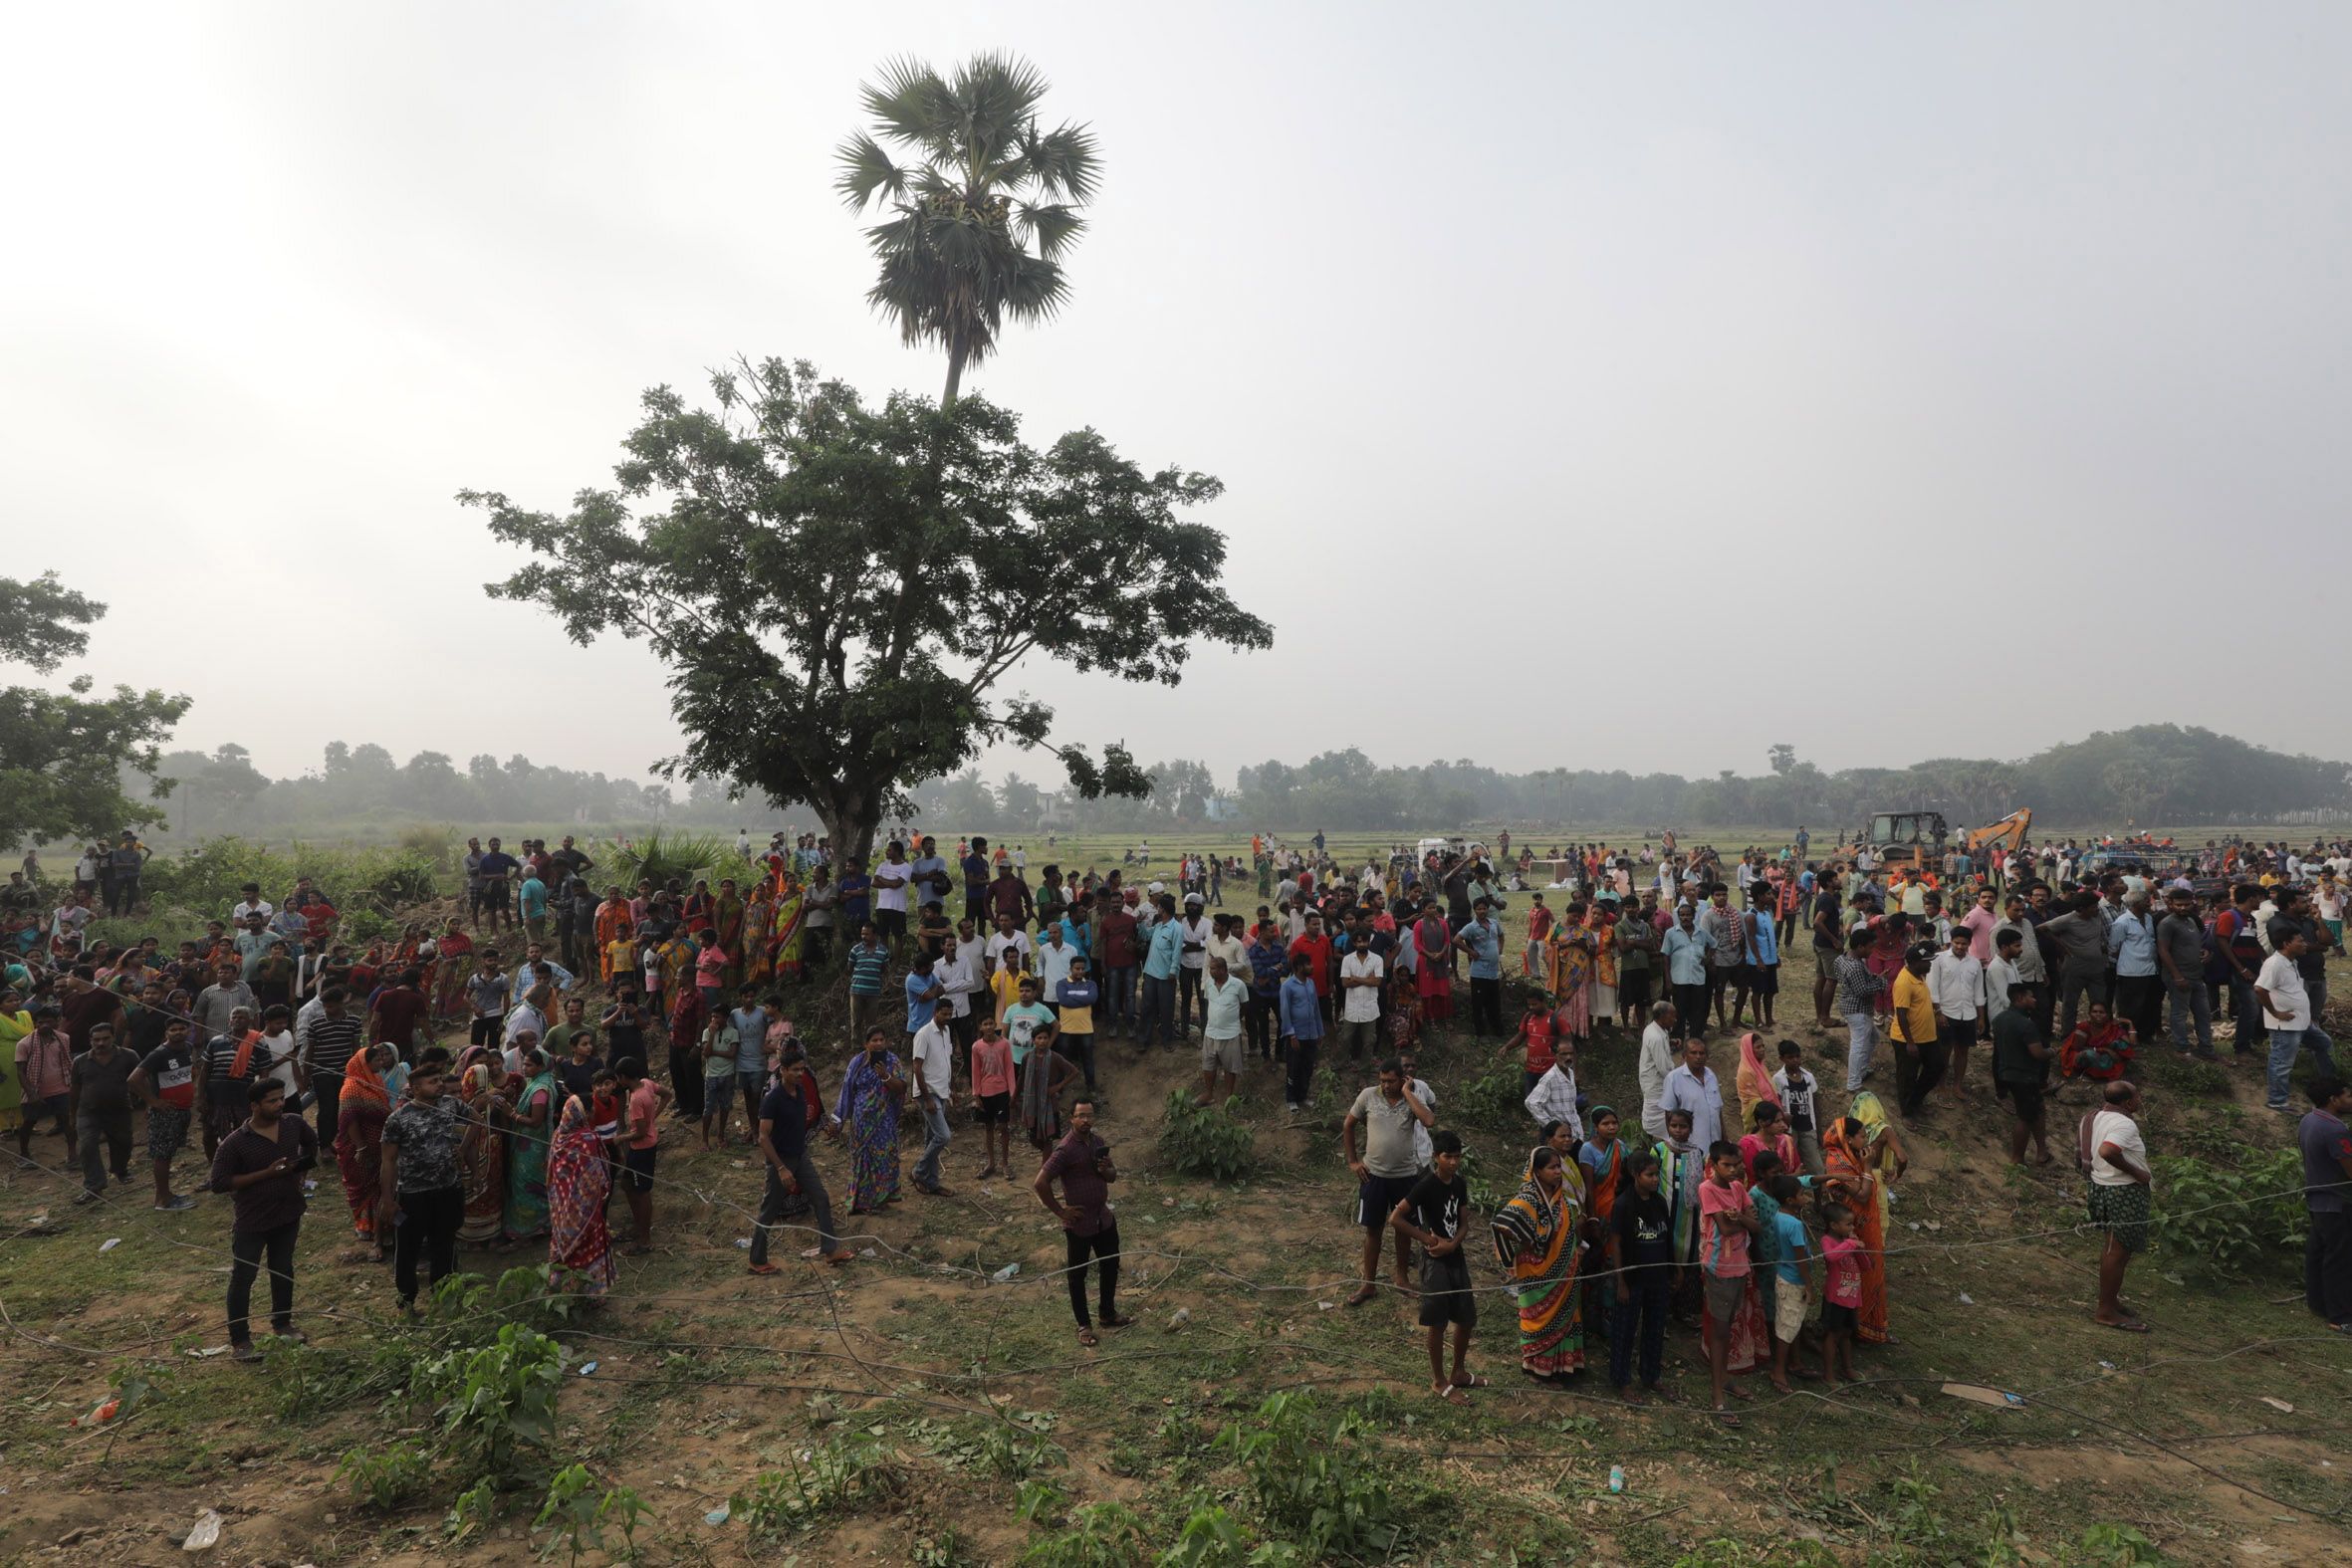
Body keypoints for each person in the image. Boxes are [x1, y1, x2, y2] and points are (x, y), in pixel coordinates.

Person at [207, 1079, 316, 1361]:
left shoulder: (293, 1124)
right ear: (254, 1106)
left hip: (289, 1212)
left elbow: (311, 1144)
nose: (280, 1104)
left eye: (281, 1098)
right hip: (252, 1220)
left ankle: (282, 1323)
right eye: (272, 1101)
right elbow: (218, 1183)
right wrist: (266, 1174)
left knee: (282, 1269)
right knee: (243, 1278)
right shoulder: (236, 1142)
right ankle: (240, 1341)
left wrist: (299, 1170)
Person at [1392, 1129, 1481, 1404]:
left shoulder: (1459, 1184)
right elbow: (1396, 1218)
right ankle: (1438, 1379)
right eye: (1447, 1157)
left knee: (1466, 1319)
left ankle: (1458, 1372)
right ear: (1435, 1157)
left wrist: (1452, 1244)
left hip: (1456, 1256)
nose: (1453, 1162)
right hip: (1434, 1262)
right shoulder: (1426, 1185)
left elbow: (1464, 1221)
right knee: (1438, 1322)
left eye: (1457, 1157)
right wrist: (1429, 1239)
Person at [1342, 1060, 1435, 1307]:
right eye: (1382, 1080)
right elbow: (1348, 1125)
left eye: (1391, 1081)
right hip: (1374, 1176)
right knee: (1373, 1230)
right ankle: (1368, 1283)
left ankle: (1402, 1279)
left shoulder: (1412, 1098)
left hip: (1406, 1176)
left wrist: (1407, 1092)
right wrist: (1353, 1161)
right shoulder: (1368, 1097)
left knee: (1403, 1229)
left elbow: (1428, 1120)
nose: (1385, 1085)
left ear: (1402, 1079)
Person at [1491, 1143, 1585, 1383]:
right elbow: (1504, 1224)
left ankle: (1563, 1366)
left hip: (1565, 1272)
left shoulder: (1559, 1197)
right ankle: (1536, 1365)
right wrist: (1531, 1244)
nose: (1557, 1172)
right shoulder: (1528, 1198)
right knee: (1539, 1318)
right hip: (1538, 1272)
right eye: (1552, 1168)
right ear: (1537, 1171)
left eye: (1558, 1167)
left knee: (1565, 1316)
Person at [1037, 1098, 1127, 1347]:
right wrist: (1060, 1212)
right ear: (1072, 1119)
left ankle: (1107, 1313)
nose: (1086, 1120)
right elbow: (1040, 1182)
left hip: (1103, 1218)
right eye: (1081, 1116)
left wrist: (1107, 1168)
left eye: (1089, 1115)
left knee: (1110, 1265)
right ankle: (1084, 1325)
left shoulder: (1097, 1143)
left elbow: (1112, 1177)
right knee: (1077, 1276)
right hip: (1079, 1223)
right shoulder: (1065, 1149)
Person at [750, 1050, 849, 1273]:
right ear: (783, 1070)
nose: (799, 1073)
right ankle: (756, 1260)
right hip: (781, 1159)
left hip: (801, 1156)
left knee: (820, 1197)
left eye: (802, 1069)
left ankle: (830, 1249)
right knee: (770, 1209)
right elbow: (763, 1137)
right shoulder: (772, 1099)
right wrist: (781, 1168)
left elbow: (806, 1120)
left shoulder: (801, 1091)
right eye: (794, 1069)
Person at [380, 1056, 464, 1314]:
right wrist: (388, 1199)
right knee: (408, 1248)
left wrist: (463, 1150)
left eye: (440, 1080)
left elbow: (475, 1119)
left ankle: (444, 1297)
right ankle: (406, 1301)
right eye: (432, 1082)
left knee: (445, 1244)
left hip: (447, 1189)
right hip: (412, 1195)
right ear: (415, 1088)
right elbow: (388, 1160)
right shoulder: (399, 1118)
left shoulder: (450, 1105)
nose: (439, 1085)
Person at [1822, 1097, 1903, 1346]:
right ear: (1848, 1139)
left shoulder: (1852, 1156)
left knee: (1872, 1274)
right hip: (1849, 1231)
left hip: (1864, 1229)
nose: (1865, 1141)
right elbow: (1863, 1194)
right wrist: (1868, 1166)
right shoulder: (1837, 1160)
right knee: (1850, 1279)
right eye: (1861, 1136)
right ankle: (1849, 1328)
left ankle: (1869, 1326)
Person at [2086, 1079, 2152, 1332]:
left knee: (2112, 1246)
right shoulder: (2124, 1124)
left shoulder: (2094, 1116)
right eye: (2137, 1096)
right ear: (2127, 1102)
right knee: (2118, 1251)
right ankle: (2105, 1311)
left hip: (2101, 1186)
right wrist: (2137, 1172)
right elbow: (2107, 1151)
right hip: (2122, 1190)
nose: (2140, 1100)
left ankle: (2110, 1301)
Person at [1609, 1153, 1675, 1403]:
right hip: (1633, 1278)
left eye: (1657, 1174)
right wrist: (1621, 1281)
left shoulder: (1659, 1202)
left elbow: (1666, 1236)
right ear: (1636, 1176)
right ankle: (1621, 1379)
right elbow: (1615, 1244)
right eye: (1649, 1175)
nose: (1655, 1179)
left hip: (1657, 1276)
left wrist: (1673, 1268)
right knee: (1625, 1330)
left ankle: (1651, 1375)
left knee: (1655, 1328)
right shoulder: (1624, 1205)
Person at [2257, 927, 2336, 1114]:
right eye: (2300, 941)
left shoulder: (2291, 962)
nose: (2305, 944)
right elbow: (2260, 989)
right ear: (2286, 944)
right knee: (2282, 1062)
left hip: (2301, 1022)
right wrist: (2276, 1013)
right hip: (2285, 1025)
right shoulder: (2274, 963)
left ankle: (2330, 1085)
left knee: (2324, 1043)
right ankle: (2277, 1102)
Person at [2298, 1075, 2352, 1332]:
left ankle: (2318, 1304)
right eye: (2348, 1096)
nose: (2350, 1100)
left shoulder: (2309, 1119)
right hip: (2336, 1202)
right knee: (2339, 1258)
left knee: (2317, 1253)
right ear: (2334, 1099)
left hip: (2315, 1196)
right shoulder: (2336, 1129)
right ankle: (2341, 1317)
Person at [130, 1015, 200, 1211]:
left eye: (182, 1029)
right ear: (166, 1033)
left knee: (169, 1154)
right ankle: (163, 1200)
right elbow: (134, 1079)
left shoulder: (187, 1048)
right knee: (162, 1155)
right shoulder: (159, 1054)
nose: (178, 1032)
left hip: (182, 1110)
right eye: (173, 1030)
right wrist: (153, 1101)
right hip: (166, 1112)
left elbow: (190, 1073)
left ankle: (166, 1195)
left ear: (188, 1031)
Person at [836, 1026, 906, 1215]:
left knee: (883, 1158)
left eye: (881, 1040)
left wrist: (885, 1076)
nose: (878, 1043)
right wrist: (839, 1120)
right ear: (866, 1044)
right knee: (863, 1159)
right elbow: (847, 1090)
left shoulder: (892, 1061)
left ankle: (881, 1199)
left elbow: (901, 1088)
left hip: (884, 1120)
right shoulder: (857, 1063)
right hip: (862, 1121)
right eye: (874, 1040)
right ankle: (863, 1202)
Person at [67, 1019, 138, 1201]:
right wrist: (72, 1114)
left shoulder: (129, 1056)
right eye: (96, 1040)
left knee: (123, 1142)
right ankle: (94, 1186)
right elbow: (74, 1089)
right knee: (87, 1146)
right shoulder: (80, 1061)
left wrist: (150, 1103)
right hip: (88, 1111)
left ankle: (120, 1170)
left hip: (119, 1108)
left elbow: (141, 1080)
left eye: (105, 1039)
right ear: (90, 1040)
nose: (101, 1043)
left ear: (114, 1037)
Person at [1991, 985, 2054, 1166]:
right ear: (2019, 998)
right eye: (2031, 996)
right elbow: (2037, 1053)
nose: (2034, 1000)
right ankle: (2016, 1159)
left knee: (2039, 1108)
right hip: (2024, 1076)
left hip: (2006, 1073)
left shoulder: (2000, 1019)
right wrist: (2050, 1052)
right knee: (2025, 1117)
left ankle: (2042, 1152)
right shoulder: (2026, 1025)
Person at [1764, 1174, 1816, 1393]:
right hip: (1794, 1280)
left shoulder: (1779, 1216)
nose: (1805, 1197)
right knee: (1786, 1327)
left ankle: (1794, 1362)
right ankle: (1778, 1370)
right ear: (1790, 1200)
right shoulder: (1794, 1224)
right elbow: (1800, 1258)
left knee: (1792, 1322)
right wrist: (1809, 1285)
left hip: (1783, 1275)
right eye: (1801, 1194)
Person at [614, 1057, 667, 1254]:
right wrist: (654, 1116)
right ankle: (638, 1227)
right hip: (644, 1146)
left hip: (642, 1148)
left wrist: (622, 1138)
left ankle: (644, 1240)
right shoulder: (647, 1084)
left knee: (642, 1192)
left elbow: (640, 1132)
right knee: (627, 1185)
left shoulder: (637, 1098)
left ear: (623, 1078)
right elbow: (667, 1094)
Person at [1888, 942, 1945, 1118]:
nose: (1929, 964)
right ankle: (1907, 1112)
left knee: (1937, 1067)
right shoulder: (1904, 982)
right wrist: (1910, 1043)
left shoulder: (1919, 976)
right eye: (1926, 961)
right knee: (1907, 1077)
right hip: (1908, 1040)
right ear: (1914, 962)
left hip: (1927, 1037)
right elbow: (1902, 1014)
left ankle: (1915, 1101)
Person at [1928, 926, 1985, 1094]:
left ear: (1969, 943)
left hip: (1968, 1014)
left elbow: (1979, 991)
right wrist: (1938, 1012)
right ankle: (1941, 1084)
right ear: (1951, 941)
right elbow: (1932, 989)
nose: (1960, 947)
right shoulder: (1938, 959)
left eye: (1964, 944)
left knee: (1962, 1052)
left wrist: (1981, 1018)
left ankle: (1957, 1085)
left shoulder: (1974, 963)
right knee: (1944, 1051)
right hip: (1946, 1013)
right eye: (1957, 943)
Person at [909, 1000, 956, 1198]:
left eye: (949, 1014)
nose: (947, 1017)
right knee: (944, 1136)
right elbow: (917, 1067)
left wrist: (949, 1088)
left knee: (931, 1139)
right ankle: (918, 1171)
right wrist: (926, 1098)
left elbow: (944, 1062)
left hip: (941, 1091)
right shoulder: (923, 1034)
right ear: (935, 1012)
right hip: (928, 1093)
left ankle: (932, 1182)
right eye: (943, 1014)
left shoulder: (946, 1032)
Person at [1817, 1201, 1864, 1386]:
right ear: (1834, 1225)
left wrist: (1859, 1249)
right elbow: (1831, 1256)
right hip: (1836, 1297)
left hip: (1852, 1296)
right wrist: (1851, 1243)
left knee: (1847, 1333)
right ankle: (1828, 1373)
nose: (1852, 1227)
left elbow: (1867, 1266)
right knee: (1833, 1334)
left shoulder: (1849, 1243)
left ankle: (1847, 1367)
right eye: (1848, 1224)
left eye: (1852, 1224)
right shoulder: (1827, 1241)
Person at [1659, 1035, 1725, 1153]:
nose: (1698, 1057)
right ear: (1685, 1056)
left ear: (1707, 1056)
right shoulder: (1674, 1078)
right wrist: (1675, 1146)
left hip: (1715, 1149)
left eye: (1702, 1053)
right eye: (1693, 1053)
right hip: (1689, 1149)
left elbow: (1718, 1111)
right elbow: (1669, 1115)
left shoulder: (1711, 1075)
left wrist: (1725, 1139)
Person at [1277, 952, 1324, 1114]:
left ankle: (1303, 1096)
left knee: (1308, 1067)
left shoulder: (1311, 983)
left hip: (1311, 1034)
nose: (1312, 967)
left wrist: (1320, 1031)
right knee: (1293, 1068)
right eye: (1308, 964)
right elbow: (1285, 1013)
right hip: (1297, 1036)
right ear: (1298, 967)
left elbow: (1316, 1008)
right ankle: (1291, 1099)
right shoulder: (1287, 986)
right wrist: (1292, 1035)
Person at [1199, 954, 1248, 1106]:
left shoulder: (1238, 985)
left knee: (1230, 1067)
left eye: (1213, 969)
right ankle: (1208, 1094)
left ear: (1222, 970)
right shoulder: (1209, 984)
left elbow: (1244, 1006)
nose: (1210, 971)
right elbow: (1209, 1002)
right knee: (1208, 1065)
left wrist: (1232, 1020)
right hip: (1211, 1032)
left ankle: (1229, 1096)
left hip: (1230, 1034)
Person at [970, 1016, 1016, 1179]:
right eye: (985, 1024)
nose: (988, 1027)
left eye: (991, 1023)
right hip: (985, 1092)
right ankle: (991, 1163)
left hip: (1002, 1090)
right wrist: (976, 1095)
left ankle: (1005, 1163)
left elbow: (1010, 1068)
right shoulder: (977, 1047)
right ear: (980, 1027)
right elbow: (975, 1071)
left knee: (1003, 1127)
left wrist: (1012, 1092)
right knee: (988, 1128)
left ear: (995, 1025)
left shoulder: (1004, 1044)